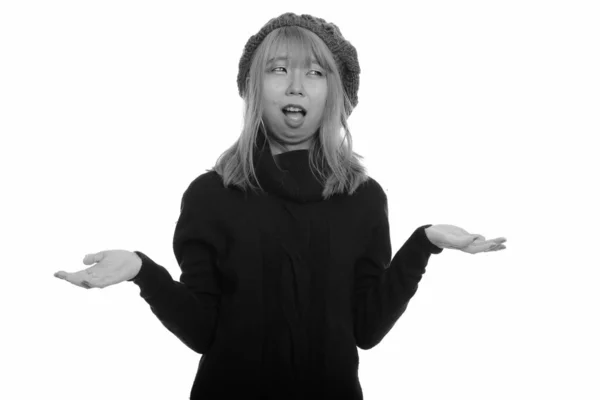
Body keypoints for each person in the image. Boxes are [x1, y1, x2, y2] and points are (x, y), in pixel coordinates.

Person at [54, 12, 507, 400]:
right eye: (277, 69)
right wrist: (142, 270)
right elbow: (201, 332)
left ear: (336, 92)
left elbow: (366, 330)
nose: (295, 86)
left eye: (314, 72)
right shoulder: (210, 195)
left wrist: (424, 243)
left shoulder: (364, 199)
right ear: (253, 87)